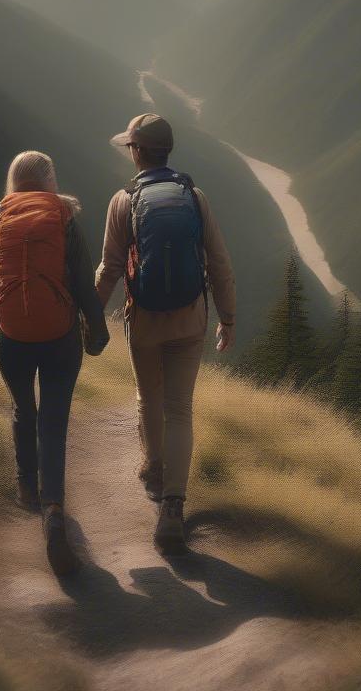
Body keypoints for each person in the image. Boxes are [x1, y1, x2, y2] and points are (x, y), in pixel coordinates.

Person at [0, 150, 109, 577]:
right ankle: (54, 511)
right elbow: (84, 286)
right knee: (54, 420)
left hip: (13, 339)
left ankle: (27, 484)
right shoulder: (64, 221)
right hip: (60, 339)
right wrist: (97, 333)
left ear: (12, 184)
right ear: (50, 182)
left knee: (23, 408)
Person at [96, 113, 235, 555]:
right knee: (180, 408)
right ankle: (173, 507)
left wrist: (89, 315)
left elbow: (110, 268)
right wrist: (227, 318)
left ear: (137, 151)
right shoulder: (195, 197)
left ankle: (154, 469)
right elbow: (218, 264)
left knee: (148, 396)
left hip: (145, 320)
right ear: (168, 150)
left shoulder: (123, 201)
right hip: (190, 320)